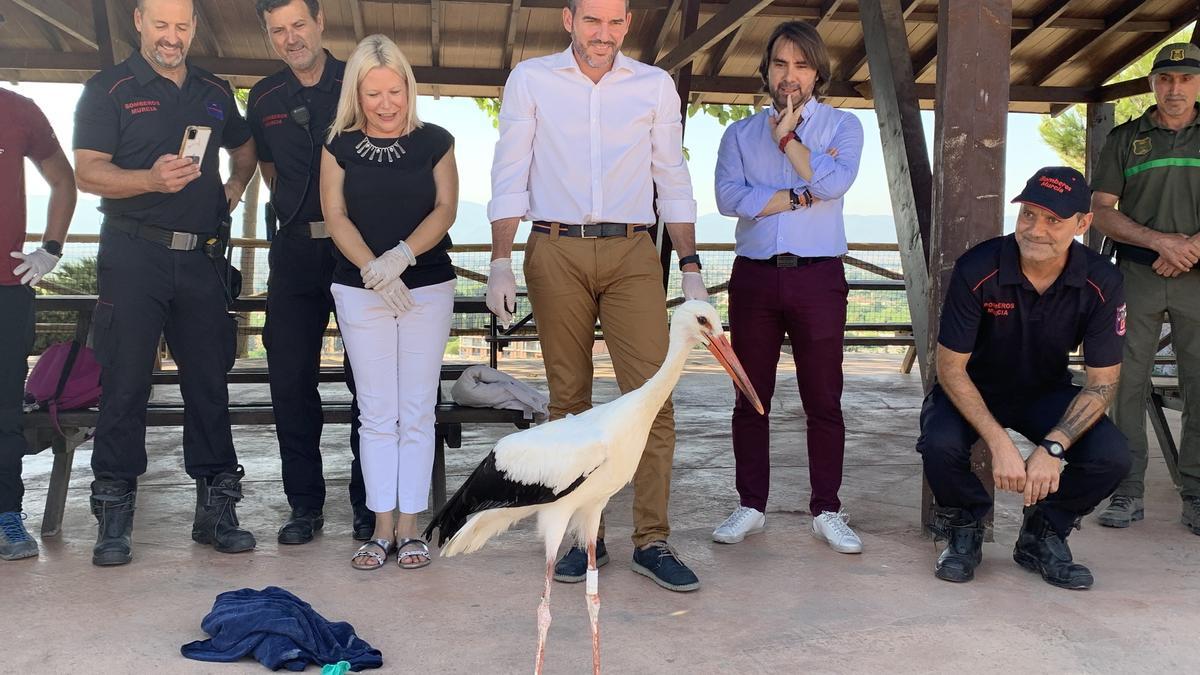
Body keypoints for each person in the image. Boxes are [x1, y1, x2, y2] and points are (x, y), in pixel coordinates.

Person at [486, 0, 707, 592]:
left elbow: (672, 178)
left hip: (634, 251)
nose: (602, 34)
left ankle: (652, 540)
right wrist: (500, 261)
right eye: (591, 20)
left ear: (627, 24)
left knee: (652, 396)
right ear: (569, 20)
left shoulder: (654, 86)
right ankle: (586, 541)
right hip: (554, 246)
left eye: (614, 22)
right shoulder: (530, 80)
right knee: (570, 403)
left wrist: (689, 267)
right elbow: (510, 171)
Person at [72, 0, 258, 566]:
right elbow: (86, 171)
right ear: (139, 22)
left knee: (209, 384)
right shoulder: (109, 88)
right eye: (161, 25)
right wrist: (147, 178)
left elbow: (245, 146)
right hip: (133, 253)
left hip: (200, 258)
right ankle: (113, 516)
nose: (171, 36)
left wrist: (233, 188)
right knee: (126, 382)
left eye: (181, 26)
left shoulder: (214, 88)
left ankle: (217, 509)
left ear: (194, 27)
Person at [917, 167, 1130, 590]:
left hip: (1045, 390)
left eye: (1053, 220)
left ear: (1083, 224)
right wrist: (1001, 444)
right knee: (939, 443)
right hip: (973, 387)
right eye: (1029, 214)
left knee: (1112, 455)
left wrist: (1053, 447)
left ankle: (1044, 531)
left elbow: (1102, 382)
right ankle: (965, 527)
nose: (1036, 229)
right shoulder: (978, 266)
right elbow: (950, 368)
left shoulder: (1102, 280)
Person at [711, 21, 865, 553]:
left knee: (823, 397)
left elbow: (832, 184)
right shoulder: (737, 134)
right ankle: (750, 504)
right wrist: (797, 196)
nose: (790, 75)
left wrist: (789, 140)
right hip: (753, 277)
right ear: (767, 70)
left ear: (818, 72)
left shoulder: (845, 127)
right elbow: (730, 198)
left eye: (801, 65)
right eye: (780, 64)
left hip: (819, 276)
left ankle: (827, 508)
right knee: (750, 396)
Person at [320, 34, 457, 571]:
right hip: (360, 290)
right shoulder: (339, 145)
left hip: (426, 285)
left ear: (408, 87)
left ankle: (411, 526)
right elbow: (335, 215)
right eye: (372, 93)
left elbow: (445, 208)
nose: (385, 103)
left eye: (394, 90)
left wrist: (401, 255)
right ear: (358, 92)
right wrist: (373, 271)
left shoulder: (436, 141)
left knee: (416, 410)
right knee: (377, 412)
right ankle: (380, 528)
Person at [249, 0, 373, 545]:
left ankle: (369, 503)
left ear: (321, 23)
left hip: (356, 252)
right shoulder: (263, 96)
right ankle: (304, 505)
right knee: (289, 379)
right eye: (279, 30)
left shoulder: (359, 81)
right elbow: (271, 170)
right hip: (295, 253)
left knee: (366, 381)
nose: (291, 38)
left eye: (299, 24)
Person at [1090, 42, 1200, 535]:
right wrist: (1161, 242)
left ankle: (1195, 493)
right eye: (1165, 79)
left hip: (1197, 275)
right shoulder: (1125, 138)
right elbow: (1104, 209)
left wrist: (1189, 249)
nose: (1174, 88)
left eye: (1186, 79)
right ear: (1153, 83)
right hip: (1136, 274)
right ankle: (1126, 490)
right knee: (1123, 383)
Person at [0, 89, 77, 561]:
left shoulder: (19, 109)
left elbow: (63, 179)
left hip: (7, 288)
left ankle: (6, 512)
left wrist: (51, 248)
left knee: (6, 411)